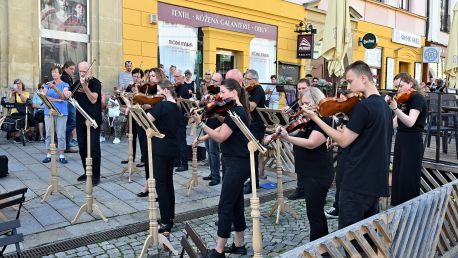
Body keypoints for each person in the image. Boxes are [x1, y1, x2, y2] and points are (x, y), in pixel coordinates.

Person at [301, 61, 392, 229]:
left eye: (350, 81)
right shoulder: (384, 107)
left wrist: (315, 119)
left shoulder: (364, 107)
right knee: (368, 236)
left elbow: (344, 141)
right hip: (375, 182)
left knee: (350, 237)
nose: (349, 87)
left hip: (357, 181)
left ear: (363, 78)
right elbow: (365, 139)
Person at [192, 78, 251, 257]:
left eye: (223, 92)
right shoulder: (234, 110)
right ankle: (239, 244)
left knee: (225, 204)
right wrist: (203, 138)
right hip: (232, 161)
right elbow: (223, 130)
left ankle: (219, 250)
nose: (220, 96)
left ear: (234, 92)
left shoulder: (237, 112)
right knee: (236, 203)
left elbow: (221, 137)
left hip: (238, 163)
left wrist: (201, 124)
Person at [267, 87, 334, 241]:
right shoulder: (307, 121)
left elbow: (311, 143)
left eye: (306, 103)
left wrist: (286, 137)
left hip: (318, 174)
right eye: (302, 103)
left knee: (314, 215)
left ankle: (315, 249)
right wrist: (283, 130)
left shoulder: (325, 121)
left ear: (317, 103)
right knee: (316, 213)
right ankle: (324, 246)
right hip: (308, 173)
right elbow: (294, 130)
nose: (302, 107)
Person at [139, 80, 180, 234]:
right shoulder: (176, 106)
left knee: (161, 185)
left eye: (158, 91)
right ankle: (170, 217)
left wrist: (140, 110)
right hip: (171, 147)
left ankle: (165, 221)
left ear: (166, 91)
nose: (156, 94)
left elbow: (146, 120)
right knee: (168, 183)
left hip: (160, 148)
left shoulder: (162, 106)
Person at [385, 73, 427, 206]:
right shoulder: (405, 99)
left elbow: (410, 122)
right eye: (397, 87)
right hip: (401, 138)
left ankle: (409, 208)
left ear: (410, 83)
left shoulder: (417, 98)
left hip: (413, 140)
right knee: (398, 174)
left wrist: (395, 108)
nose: (399, 90)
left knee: (408, 176)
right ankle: (397, 206)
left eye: (401, 86)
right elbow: (395, 122)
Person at [73, 61, 102, 186]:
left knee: (94, 149)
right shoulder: (77, 82)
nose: (82, 73)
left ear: (90, 70)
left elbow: (94, 99)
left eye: (85, 71)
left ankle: (96, 175)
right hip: (80, 120)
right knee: (82, 147)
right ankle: (87, 172)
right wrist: (65, 92)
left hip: (93, 120)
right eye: (80, 71)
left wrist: (85, 88)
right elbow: (67, 95)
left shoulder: (96, 83)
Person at [242, 69, 266, 194]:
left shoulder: (258, 89)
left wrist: (242, 95)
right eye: (245, 79)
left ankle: (254, 183)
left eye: (247, 79)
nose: (245, 81)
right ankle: (251, 179)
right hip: (249, 125)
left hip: (257, 126)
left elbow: (251, 107)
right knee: (248, 155)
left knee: (253, 155)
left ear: (255, 80)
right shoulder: (248, 89)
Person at [42, 66, 71, 164]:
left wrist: (54, 88)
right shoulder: (47, 84)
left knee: (61, 134)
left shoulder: (65, 85)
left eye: (55, 72)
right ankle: (49, 154)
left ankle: (62, 155)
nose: (54, 74)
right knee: (49, 133)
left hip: (62, 112)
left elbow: (63, 97)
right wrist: (57, 100)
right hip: (49, 112)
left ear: (60, 74)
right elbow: (44, 97)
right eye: (52, 72)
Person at [201, 72, 223, 186]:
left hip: (216, 126)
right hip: (207, 123)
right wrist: (205, 101)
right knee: (209, 151)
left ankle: (216, 177)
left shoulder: (222, 94)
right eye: (212, 80)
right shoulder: (210, 92)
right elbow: (204, 106)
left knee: (214, 152)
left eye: (215, 81)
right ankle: (212, 172)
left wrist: (213, 102)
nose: (212, 83)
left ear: (220, 82)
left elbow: (220, 110)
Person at [174, 69, 192, 172]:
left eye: (177, 77)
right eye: (174, 77)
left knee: (181, 142)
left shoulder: (184, 89)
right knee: (176, 142)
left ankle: (184, 164)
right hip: (175, 118)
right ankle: (177, 161)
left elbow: (182, 105)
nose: (175, 79)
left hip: (181, 118)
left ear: (182, 77)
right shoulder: (176, 88)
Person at [9, 79, 35, 143]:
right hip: (15, 111)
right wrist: (13, 95)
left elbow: (25, 101)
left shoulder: (26, 93)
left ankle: (29, 134)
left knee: (31, 118)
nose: (18, 85)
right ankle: (18, 136)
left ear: (22, 84)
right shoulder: (13, 93)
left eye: (19, 83)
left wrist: (20, 93)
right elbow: (11, 103)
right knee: (22, 119)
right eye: (16, 84)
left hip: (25, 111)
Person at [61, 61, 78, 153]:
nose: (73, 71)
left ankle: (66, 146)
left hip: (70, 101)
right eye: (71, 69)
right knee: (73, 122)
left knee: (70, 123)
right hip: (68, 102)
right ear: (65, 68)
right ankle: (61, 137)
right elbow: (69, 90)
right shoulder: (64, 77)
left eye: (74, 69)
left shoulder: (68, 77)